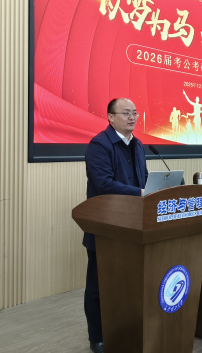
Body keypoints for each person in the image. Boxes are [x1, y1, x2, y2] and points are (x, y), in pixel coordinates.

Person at [83, 98, 148, 353]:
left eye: (135, 113)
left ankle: (124, 329)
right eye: (126, 113)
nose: (132, 117)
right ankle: (97, 337)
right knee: (99, 285)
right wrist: (141, 193)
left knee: (128, 283)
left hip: (134, 226)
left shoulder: (138, 145)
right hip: (105, 226)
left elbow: (143, 179)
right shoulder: (99, 145)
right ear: (110, 117)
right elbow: (104, 184)